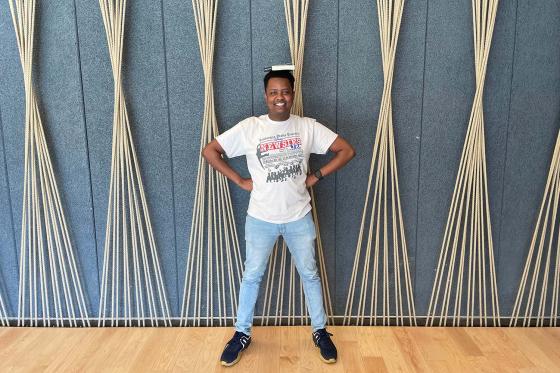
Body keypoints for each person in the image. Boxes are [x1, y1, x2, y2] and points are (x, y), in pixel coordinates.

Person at [202, 68, 355, 366]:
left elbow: (346, 150)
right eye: (273, 92)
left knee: (310, 275)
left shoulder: (307, 127)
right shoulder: (251, 128)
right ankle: (241, 334)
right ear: (266, 96)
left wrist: (317, 175)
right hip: (260, 218)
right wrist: (240, 180)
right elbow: (211, 151)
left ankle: (320, 331)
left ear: (293, 95)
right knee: (251, 276)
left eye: (284, 91)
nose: (279, 97)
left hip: (298, 216)